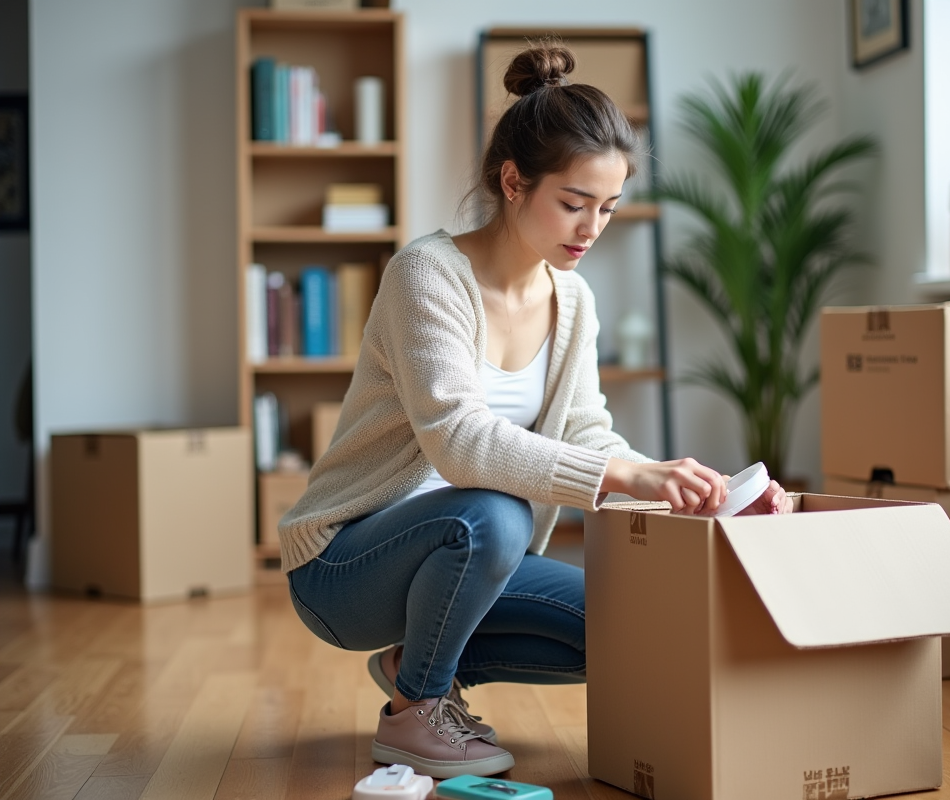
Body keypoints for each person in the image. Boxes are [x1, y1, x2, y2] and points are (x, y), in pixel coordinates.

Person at [278, 42, 792, 780]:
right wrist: (624, 477)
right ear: (514, 181)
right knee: (495, 513)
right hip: (344, 568)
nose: (591, 228)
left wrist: (687, 487)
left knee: (629, 630)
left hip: (470, 563)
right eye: (574, 204)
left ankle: (415, 663)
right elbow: (459, 442)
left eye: (607, 208)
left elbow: (587, 431)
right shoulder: (427, 275)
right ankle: (417, 711)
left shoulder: (573, 299)